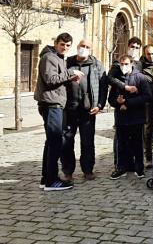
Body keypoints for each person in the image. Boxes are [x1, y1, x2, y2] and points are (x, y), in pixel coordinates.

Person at [34, 32, 84, 191]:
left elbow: (57, 79)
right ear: (56, 43)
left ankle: (46, 178)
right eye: (62, 44)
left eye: (68, 45)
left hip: (55, 104)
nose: (64, 48)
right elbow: (50, 80)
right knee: (55, 142)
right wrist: (71, 73)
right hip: (51, 104)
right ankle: (51, 181)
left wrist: (69, 78)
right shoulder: (49, 58)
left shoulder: (58, 58)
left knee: (51, 142)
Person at [61, 39, 108, 182]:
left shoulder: (97, 65)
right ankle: (68, 171)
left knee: (87, 141)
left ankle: (88, 170)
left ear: (91, 49)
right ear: (77, 47)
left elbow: (103, 86)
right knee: (67, 140)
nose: (84, 48)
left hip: (88, 110)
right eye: (82, 46)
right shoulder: (67, 62)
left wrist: (99, 105)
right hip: (70, 108)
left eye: (87, 47)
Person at [108, 54, 151, 180]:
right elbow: (111, 99)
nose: (124, 66)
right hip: (121, 117)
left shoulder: (140, 78)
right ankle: (121, 167)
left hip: (136, 117)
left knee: (137, 143)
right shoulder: (117, 79)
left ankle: (139, 168)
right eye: (121, 64)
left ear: (131, 64)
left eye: (126, 64)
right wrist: (118, 102)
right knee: (121, 144)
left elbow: (147, 96)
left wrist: (128, 103)